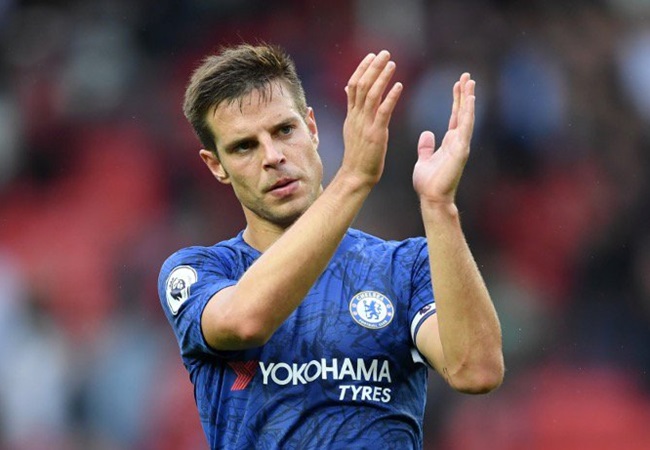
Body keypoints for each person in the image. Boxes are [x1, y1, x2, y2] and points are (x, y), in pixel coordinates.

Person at [158, 43, 504, 449]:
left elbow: (476, 371)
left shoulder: (404, 267)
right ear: (216, 165)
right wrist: (353, 176)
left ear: (312, 127)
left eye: (284, 130)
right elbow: (245, 321)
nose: (273, 156)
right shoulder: (198, 271)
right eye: (244, 146)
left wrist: (440, 206)